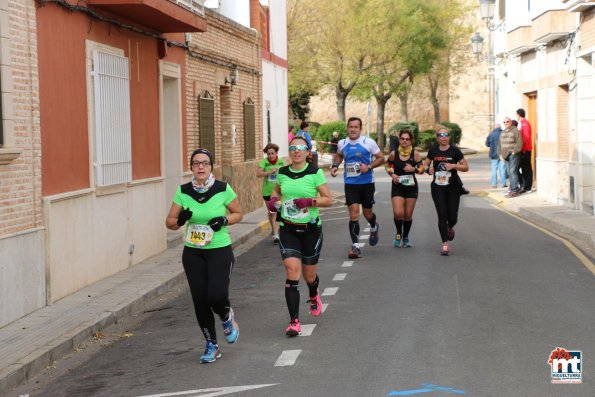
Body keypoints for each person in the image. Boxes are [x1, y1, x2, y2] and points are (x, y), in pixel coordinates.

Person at [165, 148, 243, 363]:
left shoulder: (222, 189)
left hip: (219, 250)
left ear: (211, 167)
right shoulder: (183, 191)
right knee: (200, 300)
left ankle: (226, 316)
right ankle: (212, 345)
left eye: (205, 163)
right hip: (193, 253)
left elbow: (238, 213)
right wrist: (181, 220)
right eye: (196, 163)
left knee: (216, 296)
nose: (200, 166)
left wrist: (224, 220)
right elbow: (170, 222)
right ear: (191, 167)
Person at [267, 136, 332, 336]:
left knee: (309, 275)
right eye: (293, 148)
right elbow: (275, 194)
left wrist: (309, 202)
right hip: (288, 228)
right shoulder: (282, 173)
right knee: (291, 271)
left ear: (307, 152)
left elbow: (328, 199)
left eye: (300, 148)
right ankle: (294, 321)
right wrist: (273, 203)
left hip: (311, 230)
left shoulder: (315, 173)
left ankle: (313, 293)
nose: (296, 151)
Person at [330, 117, 385, 258]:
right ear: (347, 128)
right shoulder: (342, 143)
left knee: (367, 213)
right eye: (350, 127)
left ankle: (374, 226)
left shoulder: (368, 142)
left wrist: (369, 166)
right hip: (350, 184)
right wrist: (335, 166)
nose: (353, 129)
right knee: (354, 213)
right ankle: (355, 246)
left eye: (356, 127)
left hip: (367, 183)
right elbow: (339, 155)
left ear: (360, 129)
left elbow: (381, 157)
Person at [423, 126, 469, 256]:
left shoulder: (455, 151)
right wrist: (428, 169)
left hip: (453, 187)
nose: (443, 137)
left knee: (452, 216)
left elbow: (466, 167)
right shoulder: (433, 150)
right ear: (437, 138)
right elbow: (425, 165)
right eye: (440, 135)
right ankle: (444, 244)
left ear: (449, 137)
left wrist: (453, 165)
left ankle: (450, 227)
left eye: (446, 135)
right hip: (438, 187)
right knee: (442, 215)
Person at [385, 128, 424, 248]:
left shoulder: (415, 154)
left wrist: (415, 169)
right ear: (399, 140)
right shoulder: (394, 154)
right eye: (402, 139)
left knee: (407, 215)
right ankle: (398, 235)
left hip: (411, 187)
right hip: (398, 187)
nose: (405, 141)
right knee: (398, 213)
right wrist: (392, 174)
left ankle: (406, 237)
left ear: (411, 141)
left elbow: (422, 169)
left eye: (407, 139)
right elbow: (387, 165)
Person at [257, 143, 285, 243]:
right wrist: (269, 172)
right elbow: (258, 174)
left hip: (279, 192)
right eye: (268, 154)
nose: (271, 156)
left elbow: (286, 173)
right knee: (271, 212)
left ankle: (276, 234)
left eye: (272, 153)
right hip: (267, 191)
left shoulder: (281, 162)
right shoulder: (264, 162)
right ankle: (274, 229)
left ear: (276, 153)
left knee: (277, 211)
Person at [499, 117, 523, 197]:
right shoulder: (502, 132)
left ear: (511, 122)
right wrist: (500, 155)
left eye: (507, 121)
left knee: (513, 171)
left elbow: (519, 143)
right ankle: (512, 189)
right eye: (504, 122)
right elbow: (499, 145)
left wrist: (514, 151)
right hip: (505, 155)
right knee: (509, 172)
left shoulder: (515, 130)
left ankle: (515, 190)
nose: (506, 123)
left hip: (513, 154)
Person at [516, 108, 533, 193]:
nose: (516, 116)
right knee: (524, 168)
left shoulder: (525, 124)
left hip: (525, 150)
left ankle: (527, 187)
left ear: (518, 115)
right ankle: (525, 185)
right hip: (524, 149)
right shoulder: (523, 123)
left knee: (526, 169)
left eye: (516, 115)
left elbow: (526, 138)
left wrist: (522, 149)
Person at [485, 123, 507, 188]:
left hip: (493, 154)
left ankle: (494, 184)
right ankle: (503, 183)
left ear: (495, 128)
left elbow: (487, 144)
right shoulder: (503, 133)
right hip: (502, 154)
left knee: (494, 170)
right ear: (500, 127)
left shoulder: (491, 134)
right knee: (502, 169)